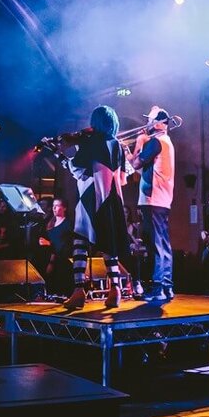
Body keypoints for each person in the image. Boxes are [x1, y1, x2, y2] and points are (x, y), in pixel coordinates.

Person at [62, 106, 128, 310]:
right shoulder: (118, 146)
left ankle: (78, 291)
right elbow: (123, 179)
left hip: (90, 197)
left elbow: (78, 170)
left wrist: (65, 159)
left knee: (80, 242)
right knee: (109, 244)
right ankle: (115, 290)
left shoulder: (90, 142)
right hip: (113, 199)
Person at [131, 107, 176, 302]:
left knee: (155, 245)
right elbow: (143, 169)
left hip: (152, 199)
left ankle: (158, 288)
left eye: (150, 120)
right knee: (162, 243)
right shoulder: (165, 142)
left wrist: (139, 143)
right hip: (162, 200)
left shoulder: (156, 142)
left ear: (160, 123)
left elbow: (135, 164)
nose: (147, 124)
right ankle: (166, 286)